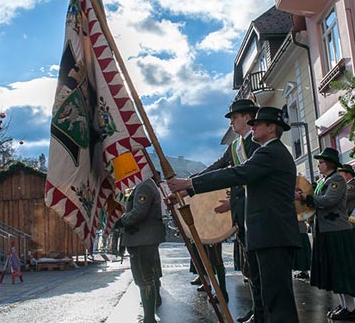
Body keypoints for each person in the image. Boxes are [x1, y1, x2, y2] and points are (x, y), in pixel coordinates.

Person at [168, 106, 300, 323]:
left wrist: (190, 183)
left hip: (272, 235)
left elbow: (237, 173)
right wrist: (186, 190)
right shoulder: (267, 151)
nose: (253, 127)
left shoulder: (270, 152)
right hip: (266, 234)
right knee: (267, 295)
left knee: (277, 301)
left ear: (271, 127)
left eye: (257, 123)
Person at [186, 98, 260, 321]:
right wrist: (191, 181)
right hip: (242, 215)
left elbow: (248, 180)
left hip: (256, 214)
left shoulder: (257, 144)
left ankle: (263, 312)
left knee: (259, 270)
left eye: (234, 118)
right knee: (251, 268)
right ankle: (258, 310)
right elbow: (218, 167)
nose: (231, 123)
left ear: (247, 117)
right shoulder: (235, 147)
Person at [296, 148, 355, 321]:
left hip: (337, 231)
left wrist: (306, 198)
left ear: (329, 163)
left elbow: (329, 200)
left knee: (342, 270)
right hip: (326, 231)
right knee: (335, 271)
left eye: (321, 162)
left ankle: (350, 309)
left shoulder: (337, 179)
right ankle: (344, 305)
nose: (319, 165)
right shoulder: (324, 180)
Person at [115, 177, 166, 323]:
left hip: (142, 239)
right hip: (142, 238)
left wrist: (122, 221)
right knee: (146, 278)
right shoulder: (144, 185)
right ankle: (149, 316)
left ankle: (149, 319)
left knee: (144, 279)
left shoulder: (144, 186)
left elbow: (139, 211)